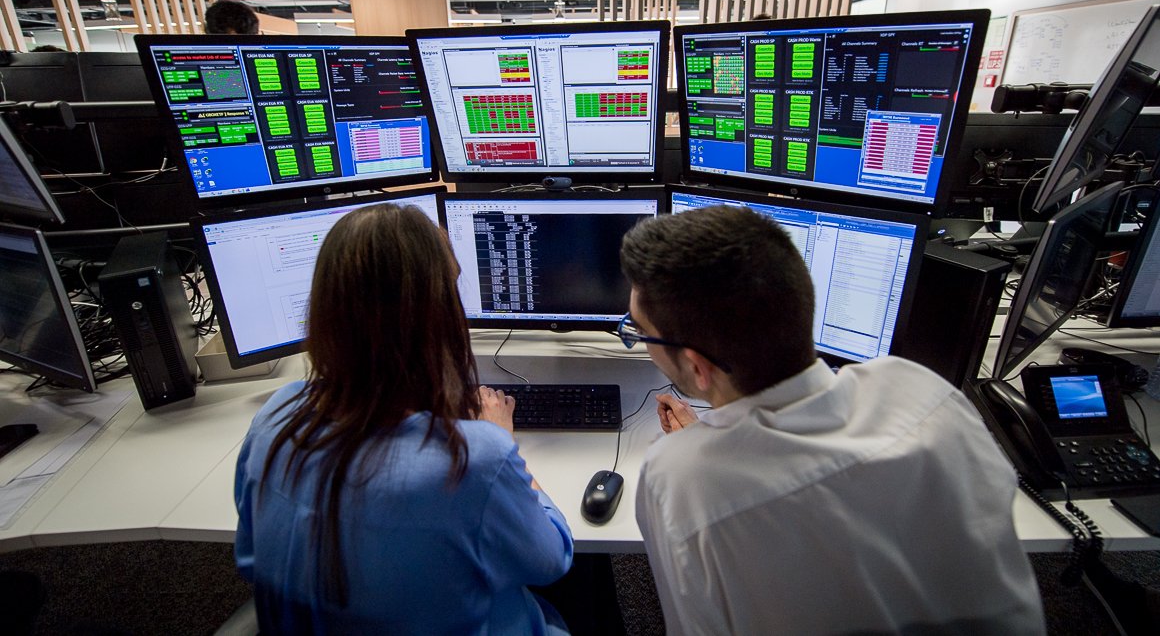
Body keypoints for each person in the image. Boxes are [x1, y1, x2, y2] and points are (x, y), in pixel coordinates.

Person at [618, 205, 1046, 634]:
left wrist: (701, 450)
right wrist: (711, 442)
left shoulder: (679, 479)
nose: (638, 338)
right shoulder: (924, 392)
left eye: (639, 331)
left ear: (697, 367)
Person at [234, 204, 574, 634]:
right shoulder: (475, 457)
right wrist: (499, 438)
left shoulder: (276, 414)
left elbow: (250, 559)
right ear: (440, 318)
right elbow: (552, 560)